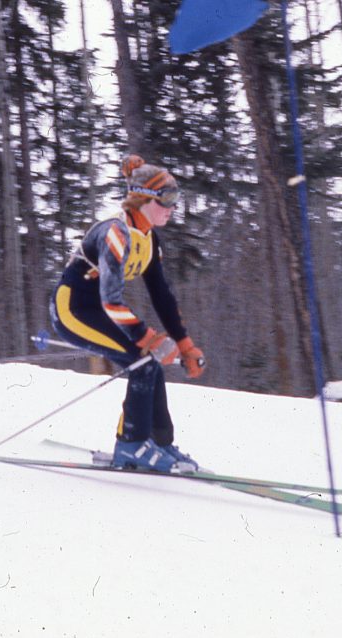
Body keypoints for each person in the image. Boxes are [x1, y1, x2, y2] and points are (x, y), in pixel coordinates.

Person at [50, 154, 206, 473]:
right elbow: (110, 299)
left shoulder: (148, 238)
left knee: (148, 364)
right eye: (168, 199)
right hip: (73, 309)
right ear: (143, 199)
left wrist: (184, 343)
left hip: (104, 310)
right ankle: (131, 445)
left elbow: (161, 295)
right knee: (143, 363)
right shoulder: (116, 233)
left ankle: (160, 443)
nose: (173, 207)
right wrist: (147, 336)